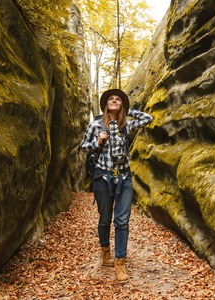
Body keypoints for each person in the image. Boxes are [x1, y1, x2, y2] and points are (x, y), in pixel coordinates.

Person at [80, 89, 153, 282]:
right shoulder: (96, 124)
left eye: (118, 99)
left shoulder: (126, 125)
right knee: (105, 219)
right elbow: (82, 146)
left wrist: (127, 111)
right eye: (110, 99)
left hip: (124, 177)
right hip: (102, 177)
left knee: (122, 221)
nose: (113, 100)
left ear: (121, 105)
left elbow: (148, 118)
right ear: (105, 104)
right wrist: (98, 142)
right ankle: (105, 251)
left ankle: (120, 262)